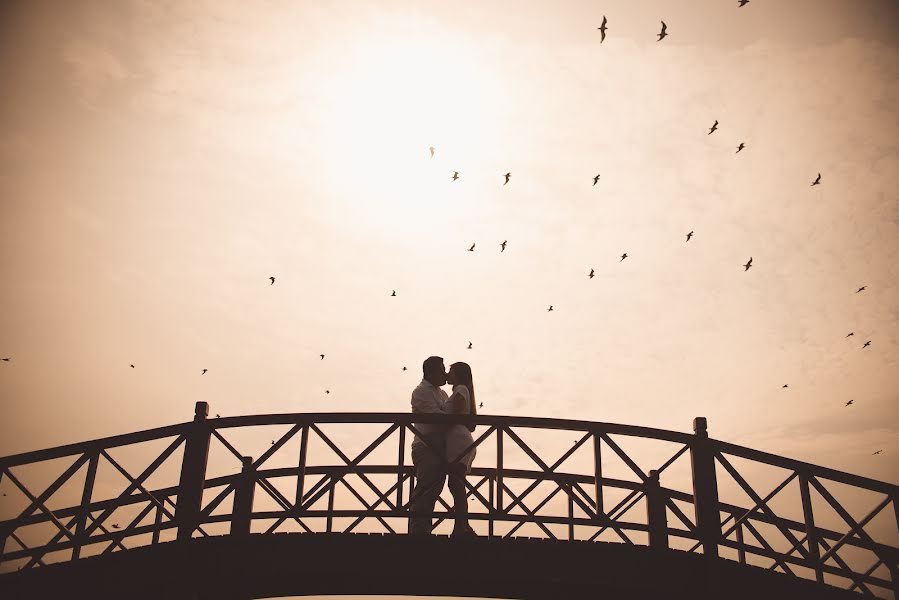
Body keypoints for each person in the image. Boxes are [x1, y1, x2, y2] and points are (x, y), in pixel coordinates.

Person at [408, 356, 450, 535]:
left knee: (433, 491)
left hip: (439, 448)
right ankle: (418, 533)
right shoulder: (421, 391)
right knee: (425, 489)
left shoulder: (442, 394)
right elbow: (436, 418)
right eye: (442, 370)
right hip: (426, 447)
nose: (445, 374)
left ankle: (423, 531)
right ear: (431, 372)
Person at [444, 361, 477, 537]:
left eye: (451, 371)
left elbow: (454, 414)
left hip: (458, 441)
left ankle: (462, 527)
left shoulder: (460, 390)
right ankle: (463, 526)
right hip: (458, 440)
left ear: (458, 374)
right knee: (456, 484)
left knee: (456, 484)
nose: (448, 374)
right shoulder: (462, 390)